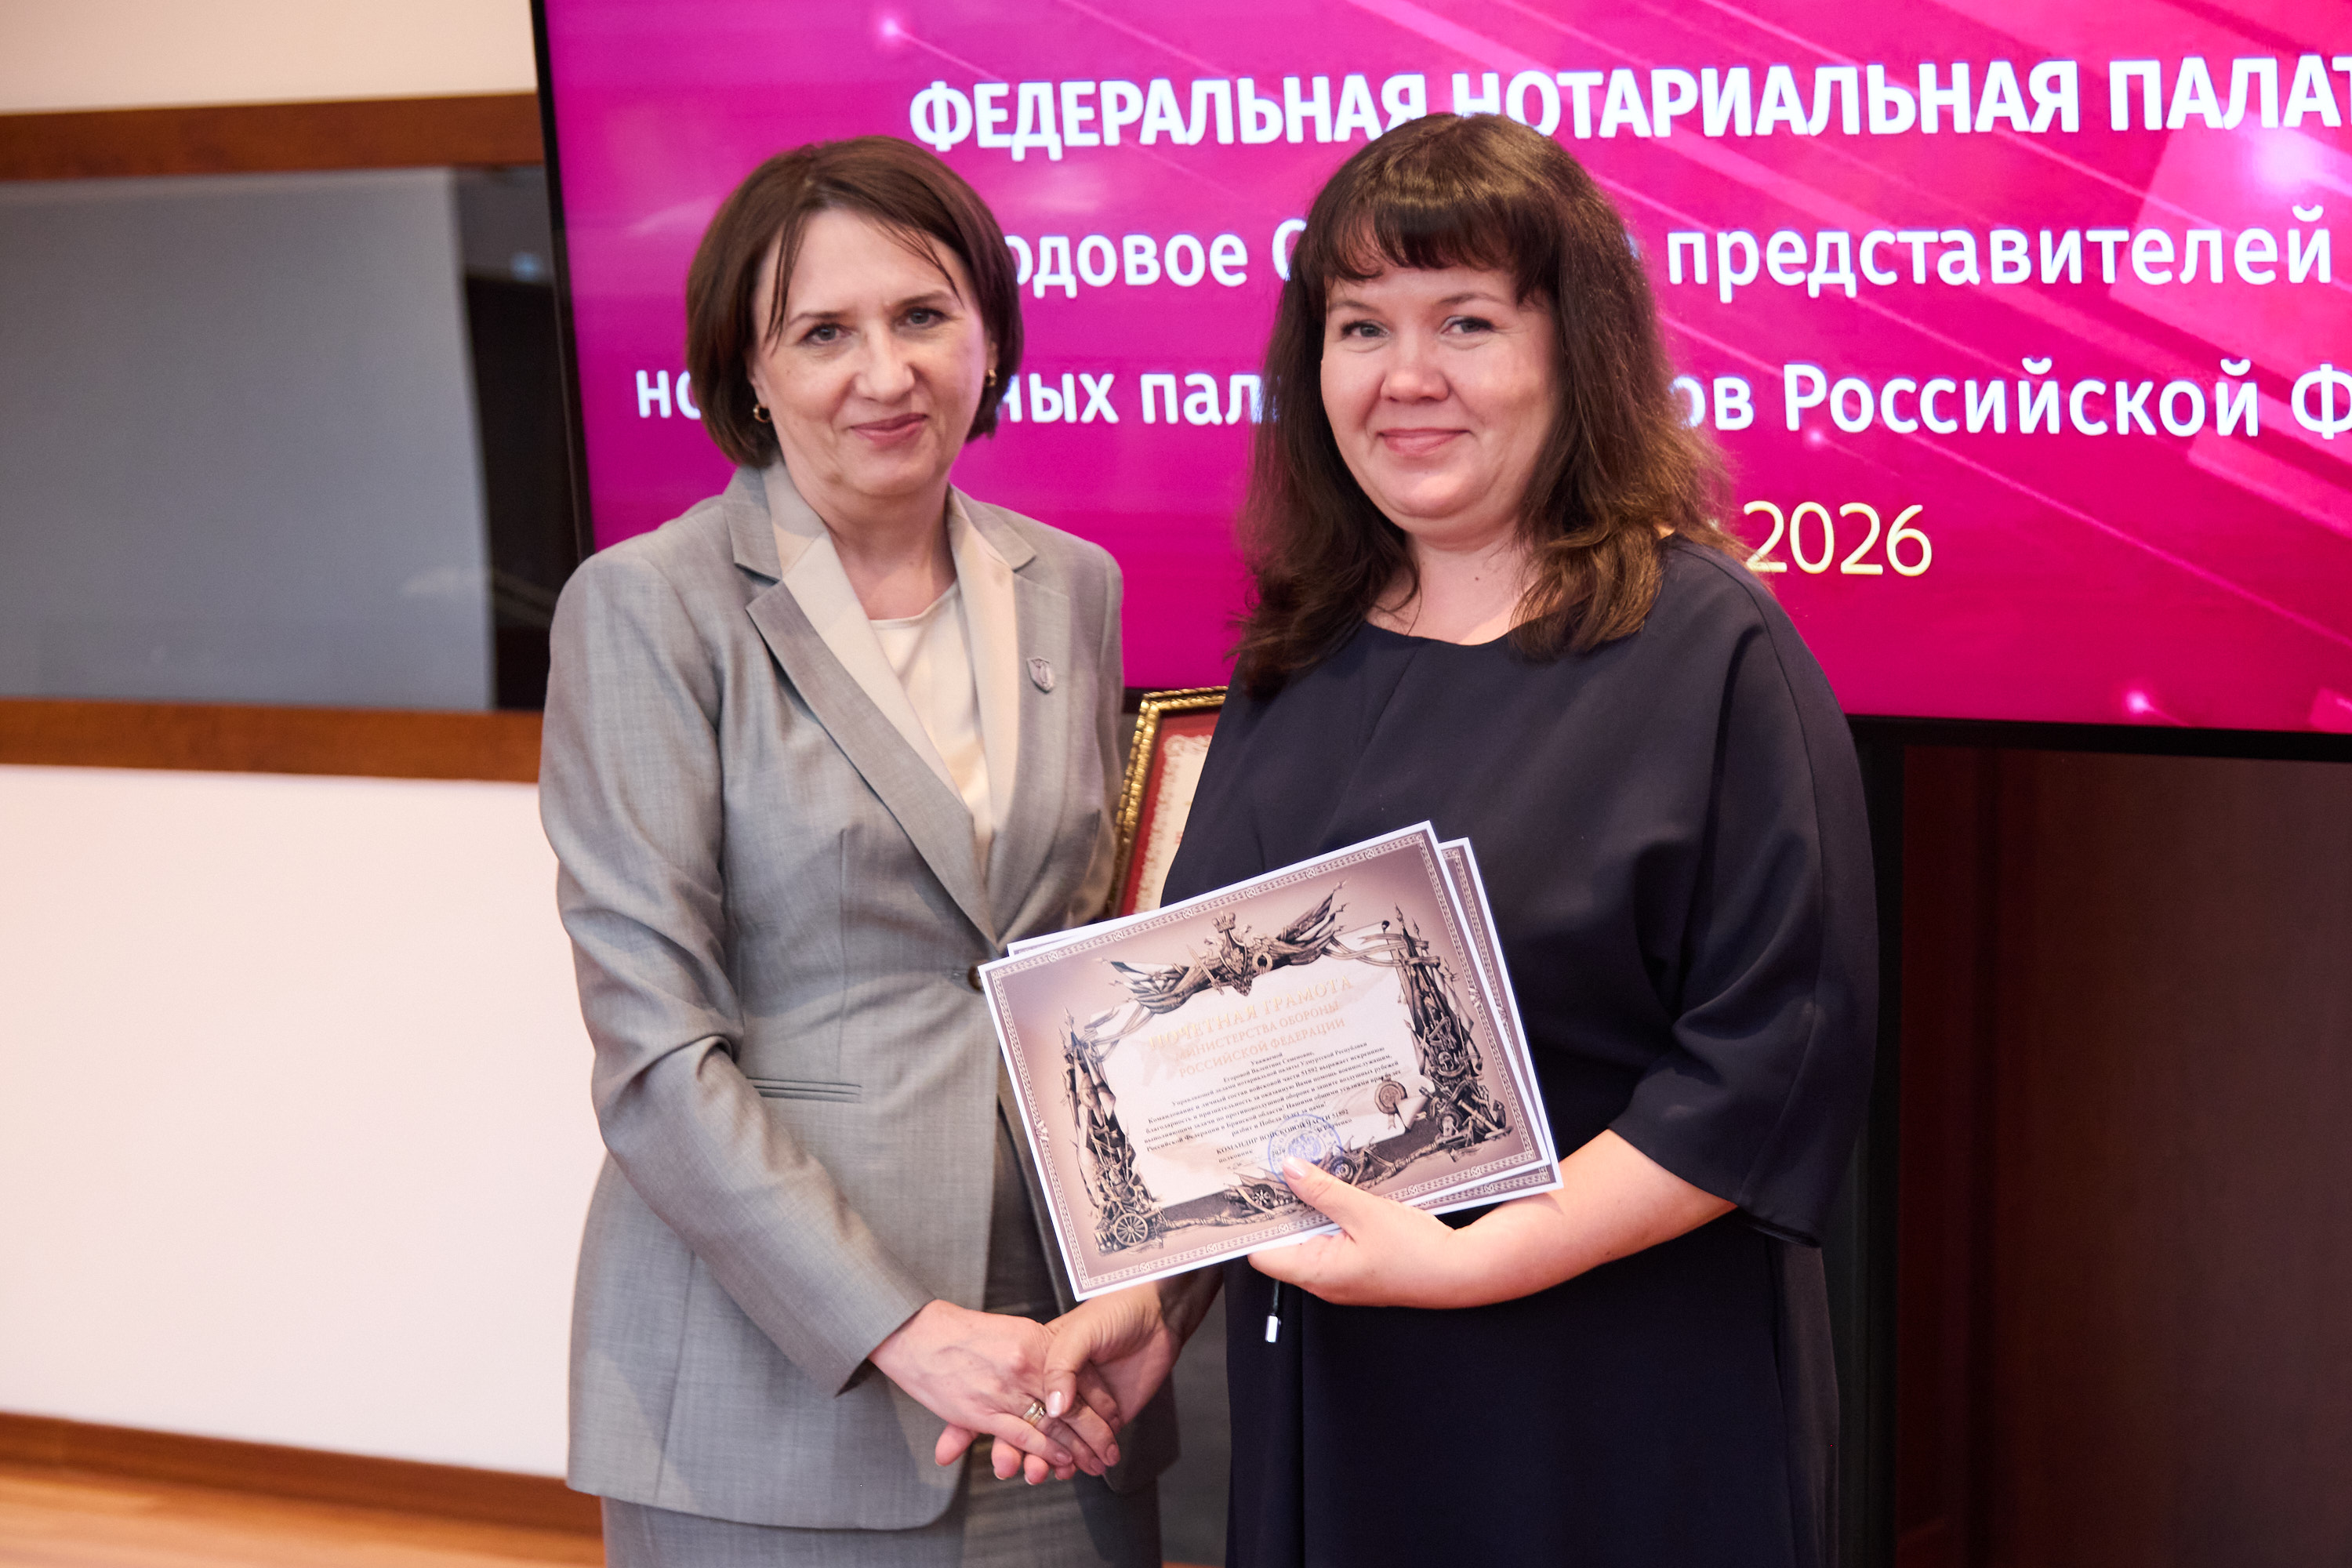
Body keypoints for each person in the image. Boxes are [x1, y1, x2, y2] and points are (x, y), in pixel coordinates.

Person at [1038, 113, 1876, 1566]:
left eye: (1468, 321)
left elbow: (1768, 1061)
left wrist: (1472, 1266)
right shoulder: (1297, 656)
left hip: (1614, 1400)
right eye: (1362, 326)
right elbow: (1216, 1065)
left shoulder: (1707, 647)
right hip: (1338, 1398)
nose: (1407, 377)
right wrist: (1153, 1302)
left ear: (1575, 353)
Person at [539, 136, 1171, 1567]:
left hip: (1055, 1363)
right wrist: (899, 1326)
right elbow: (651, 1051)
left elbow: (1081, 964)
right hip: (779, 1373)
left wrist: (1150, 1287)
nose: (885, 374)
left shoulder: (1073, 586)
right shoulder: (648, 608)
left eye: (922, 315)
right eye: (823, 332)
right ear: (747, 373)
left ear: (989, 335)